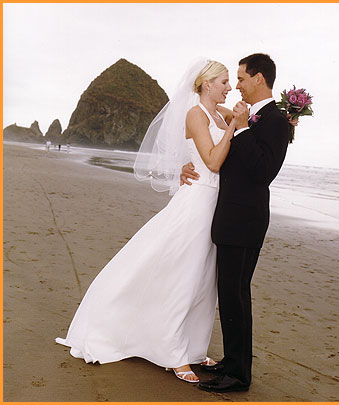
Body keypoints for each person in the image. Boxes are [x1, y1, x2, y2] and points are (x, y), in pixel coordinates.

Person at [56, 58, 237, 383]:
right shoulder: (195, 114)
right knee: (184, 276)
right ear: (207, 84)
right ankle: (173, 353)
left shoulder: (219, 114)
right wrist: (234, 128)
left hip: (215, 205)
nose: (230, 87)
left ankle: (194, 348)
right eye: (224, 81)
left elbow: (244, 129)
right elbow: (210, 161)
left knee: (202, 280)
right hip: (197, 203)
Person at [181, 53, 291, 393]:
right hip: (230, 215)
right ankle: (232, 361)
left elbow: (262, 172)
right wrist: (183, 167)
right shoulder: (254, 116)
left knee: (236, 295)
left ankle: (240, 374)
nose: (237, 85)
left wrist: (242, 128)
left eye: (241, 78)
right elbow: (213, 148)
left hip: (244, 219)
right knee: (229, 295)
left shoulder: (274, 120)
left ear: (259, 79)